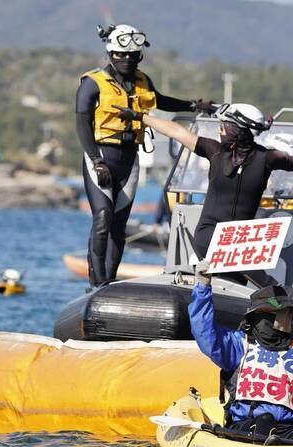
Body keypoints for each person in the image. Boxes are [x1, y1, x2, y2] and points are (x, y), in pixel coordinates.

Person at [76, 23, 213, 287]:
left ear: (139, 56)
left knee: (119, 224)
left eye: (132, 55)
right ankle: (96, 280)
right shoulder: (92, 83)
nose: (126, 59)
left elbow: (159, 100)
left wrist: (195, 106)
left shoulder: (143, 81)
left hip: (130, 159)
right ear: (111, 53)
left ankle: (110, 282)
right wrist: (96, 160)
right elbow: (82, 124)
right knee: (102, 217)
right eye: (121, 54)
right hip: (101, 157)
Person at [114, 102, 293, 262]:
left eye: (224, 125)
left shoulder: (267, 158)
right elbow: (177, 132)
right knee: (262, 280)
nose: (220, 128)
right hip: (210, 235)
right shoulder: (215, 152)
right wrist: (140, 117)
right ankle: (271, 295)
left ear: (237, 130)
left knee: (245, 273)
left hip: (239, 243)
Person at [188, 258, 293, 444]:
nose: (291, 317)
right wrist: (202, 285)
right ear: (265, 318)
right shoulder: (239, 345)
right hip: (247, 426)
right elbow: (203, 331)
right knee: (265, 422)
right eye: (286, 313)